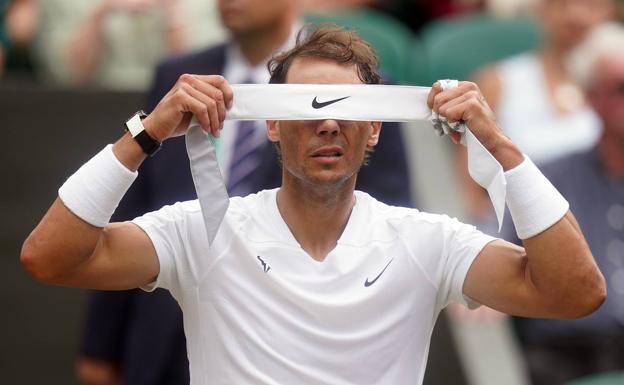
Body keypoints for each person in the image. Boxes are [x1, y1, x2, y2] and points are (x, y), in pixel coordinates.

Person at [21, 26, 605, 385]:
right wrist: (145, 133)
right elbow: (49, 258)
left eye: (347, 107)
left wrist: (499, 144)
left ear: (375, 127)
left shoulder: (428, 240)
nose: (328, 122)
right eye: (306, 108)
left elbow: (575, 292)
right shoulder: (201, 231)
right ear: (272, 124)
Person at [77, 1, 413, 383]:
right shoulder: (180, 77)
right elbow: (135, 208)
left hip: (285, 344)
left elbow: (384, 232)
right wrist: (99, 346)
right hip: (162, 334)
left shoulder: (366, 93)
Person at [495, 22, 624, 385]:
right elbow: (500, 244)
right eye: (621, 89)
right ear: (592, 98)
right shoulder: (548, 178)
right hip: (564, 352)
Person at [461, 0, 614, 220]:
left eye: (589, 4)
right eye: (562, 4)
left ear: (607, 11)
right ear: (542, 9)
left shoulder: (616, 86)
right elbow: (473, 192)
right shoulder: (497, 82)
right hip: (519, 232)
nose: (575, 15)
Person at [31, 0, 225, 90]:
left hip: (175, 110)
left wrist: (171, 10)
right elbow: (70, 76)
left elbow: (204, 76)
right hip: (95, 106)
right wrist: (103, 11)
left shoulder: (204, 5)